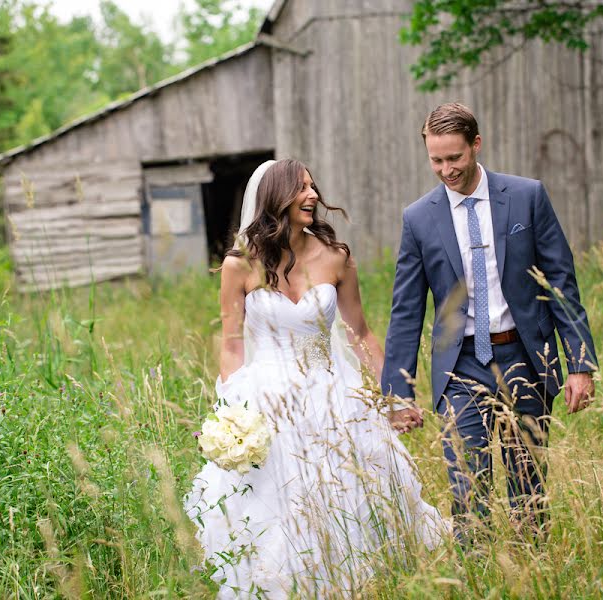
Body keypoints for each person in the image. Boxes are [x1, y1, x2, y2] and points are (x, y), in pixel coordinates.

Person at [185, 158, 445, 598]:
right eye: (301, 188)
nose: (312, 195)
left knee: (350, 500)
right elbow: (231, 344)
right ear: (276, 199)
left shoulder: (336, 257)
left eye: (312, 187)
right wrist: (231, 413)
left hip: (332, 397)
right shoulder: (239, 265)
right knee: (277, 511)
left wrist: (396, 397)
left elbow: (360, 334)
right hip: (267, 404)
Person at [381, 103, 598, 541]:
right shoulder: (418, 218)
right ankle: (475, 576)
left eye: (454, 158)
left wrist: (578, 363)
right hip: (460, 367)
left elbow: (560, 282)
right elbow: (406, 309)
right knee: (467, 490)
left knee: (528, 488)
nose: (446, 170)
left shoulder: (526, 196)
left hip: (523, 357)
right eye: (436, 160)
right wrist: (398, 392)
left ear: (476, 145)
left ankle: (532, 571)